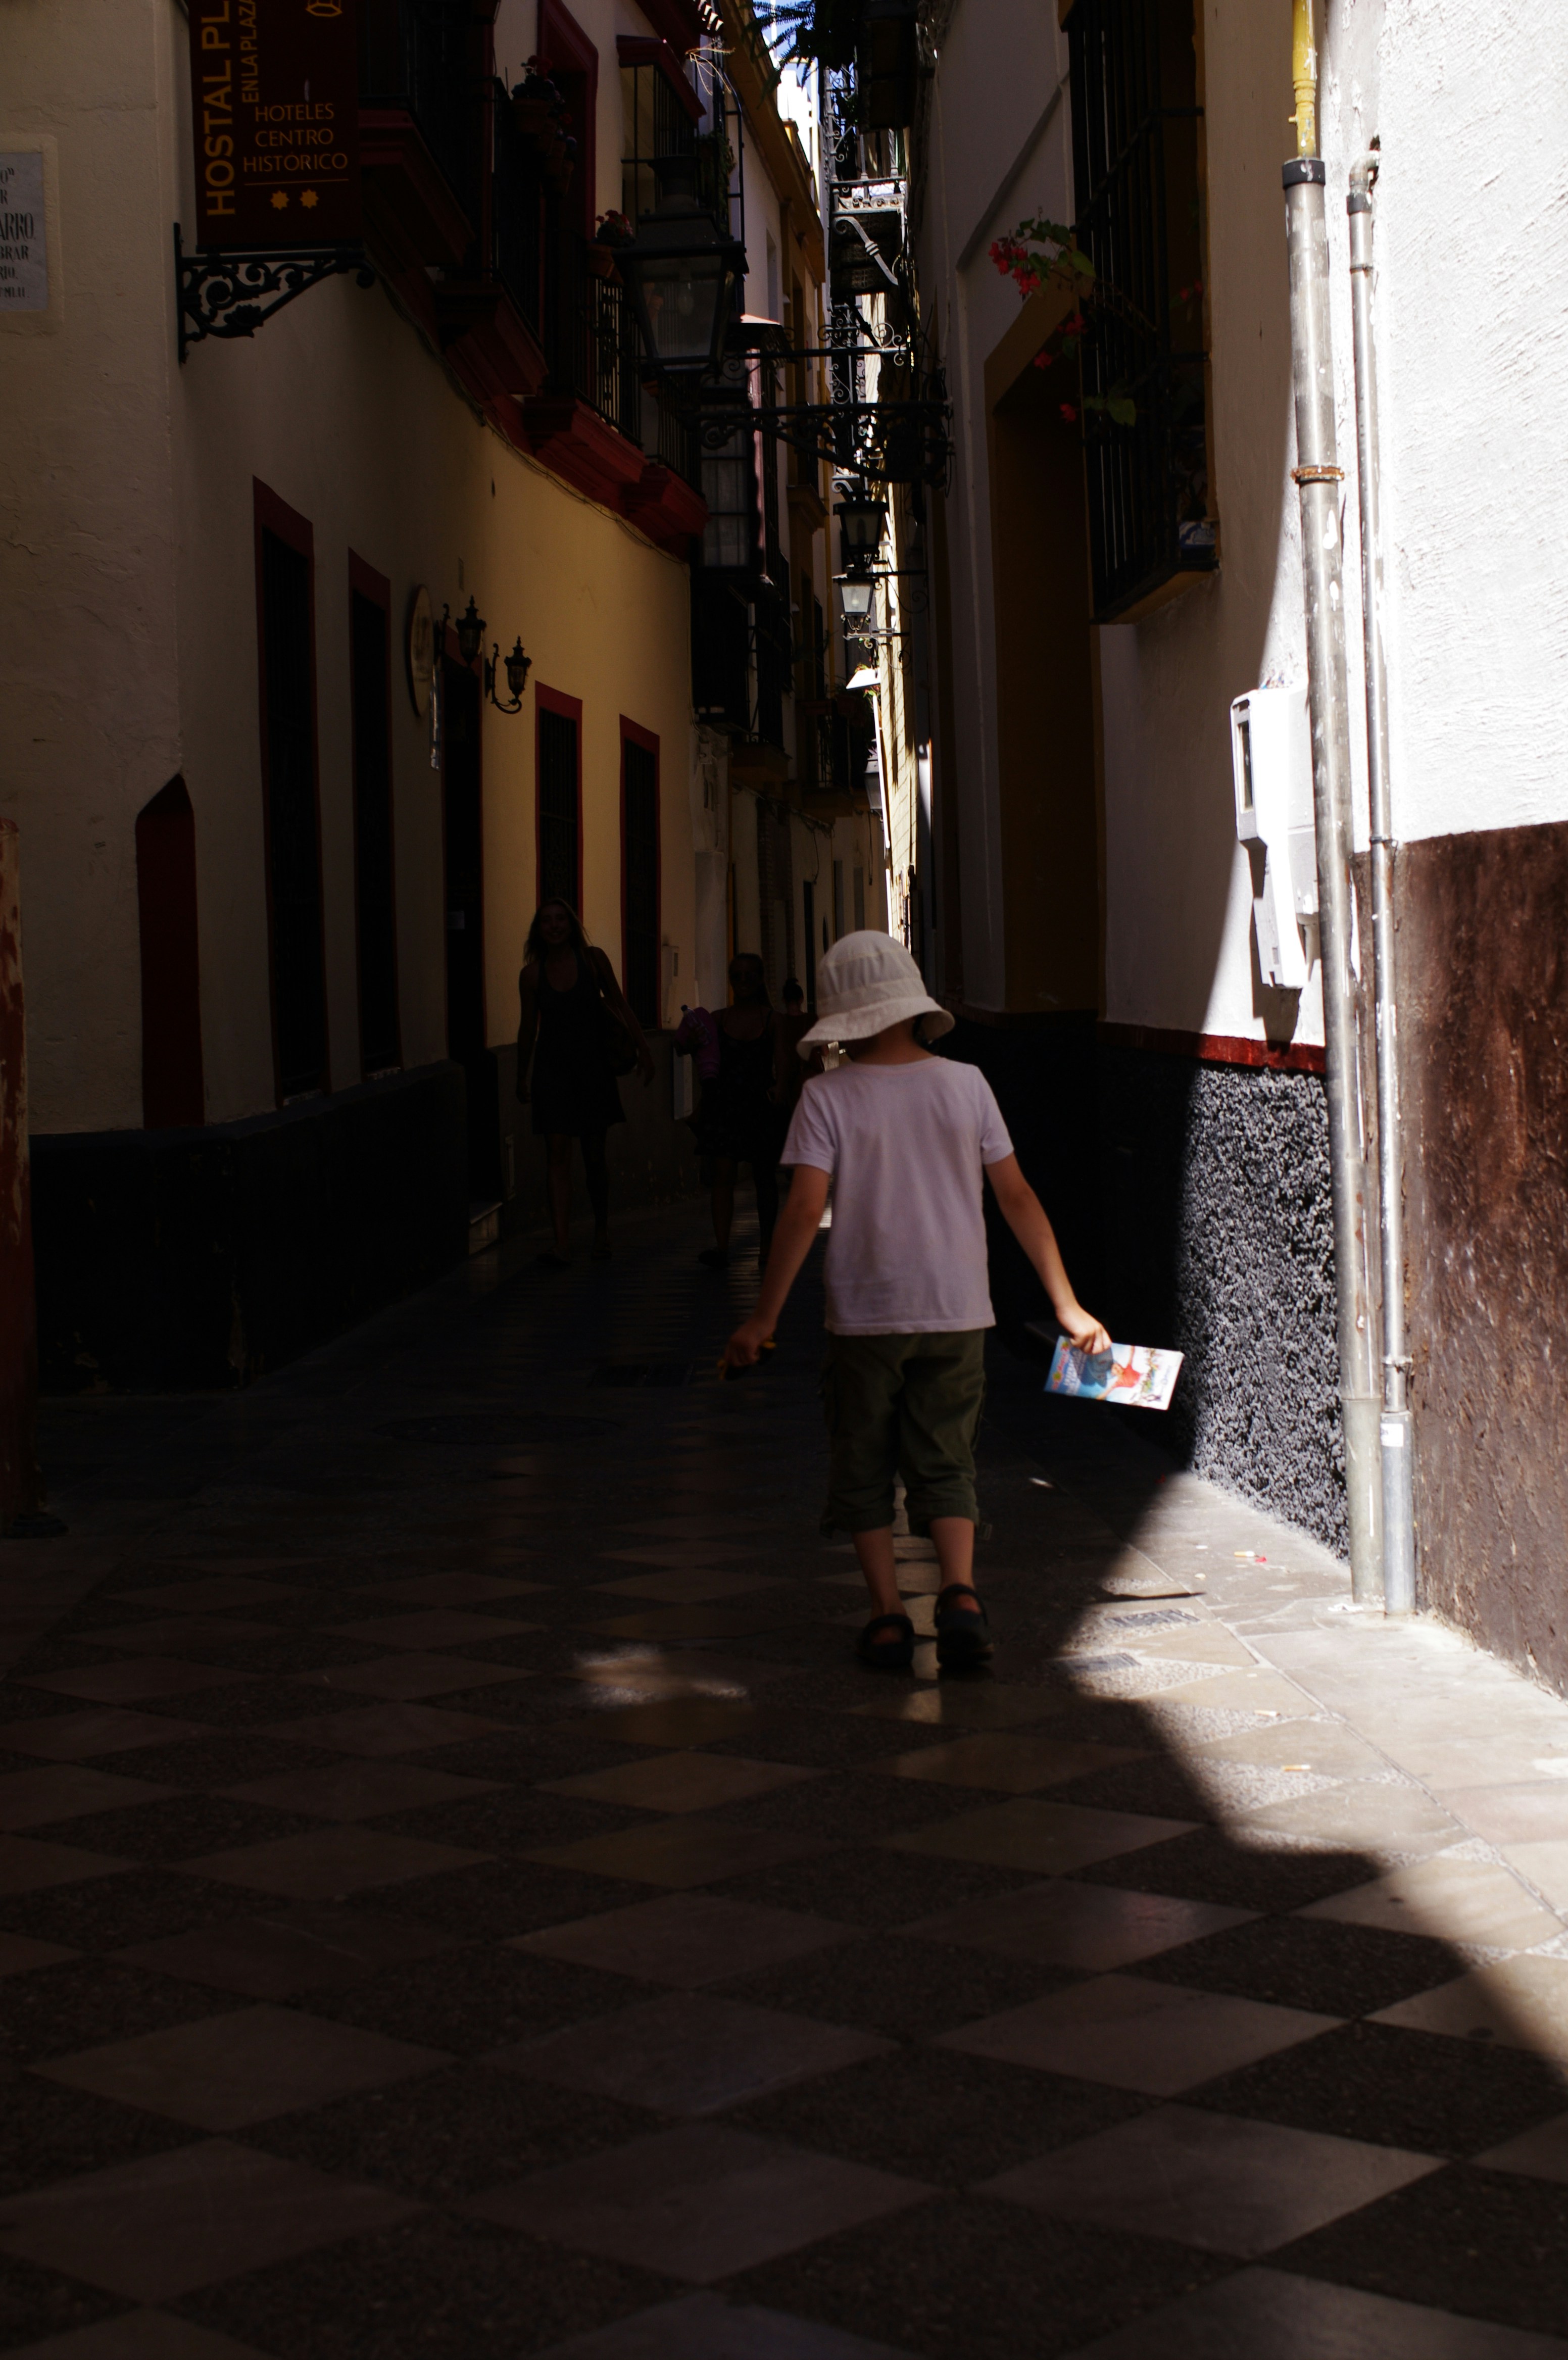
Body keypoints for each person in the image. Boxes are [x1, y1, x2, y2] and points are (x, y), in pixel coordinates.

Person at [724, 931, 1109, 1671]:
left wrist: (764, 1317)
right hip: (959, 1311)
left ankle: (887, 1614)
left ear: (842, 1020)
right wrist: (1067, 1305)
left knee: (863, 1461)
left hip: (866, 1316)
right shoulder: (967, 1084)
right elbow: (1017, 1196)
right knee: (948, 1458)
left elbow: (804, 1211)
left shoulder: (823, 1097)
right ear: (912, 1007)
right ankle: (961, 1594)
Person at [516, 898, 653, 1267]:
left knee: (594, 1156)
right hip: (552, 1071)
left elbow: (621, 1004)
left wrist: (644, 1048)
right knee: (557, 1155)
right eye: (547, 921)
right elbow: (529, 1027)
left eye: (561, 919)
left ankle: (601, 1230)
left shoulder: (593, 961)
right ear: (538, 929)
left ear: (572, 925)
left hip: (592, 1069)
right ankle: (561, 1241)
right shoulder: (532, 975)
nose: (555, 926)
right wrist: (521, 1074)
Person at [690, 953, 782, 1269]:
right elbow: (697, 1052)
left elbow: (783, 1067)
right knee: (723, 1176)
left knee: (764, 1178)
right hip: (726, 1104)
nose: (743, 982)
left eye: (749, 976)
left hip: (758, 1105)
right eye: (737, 976)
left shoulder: (772, 1020)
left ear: (759, 980)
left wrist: (780, 1091)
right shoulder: (719, 1019)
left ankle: (767, 1246)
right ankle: (722, 1246)